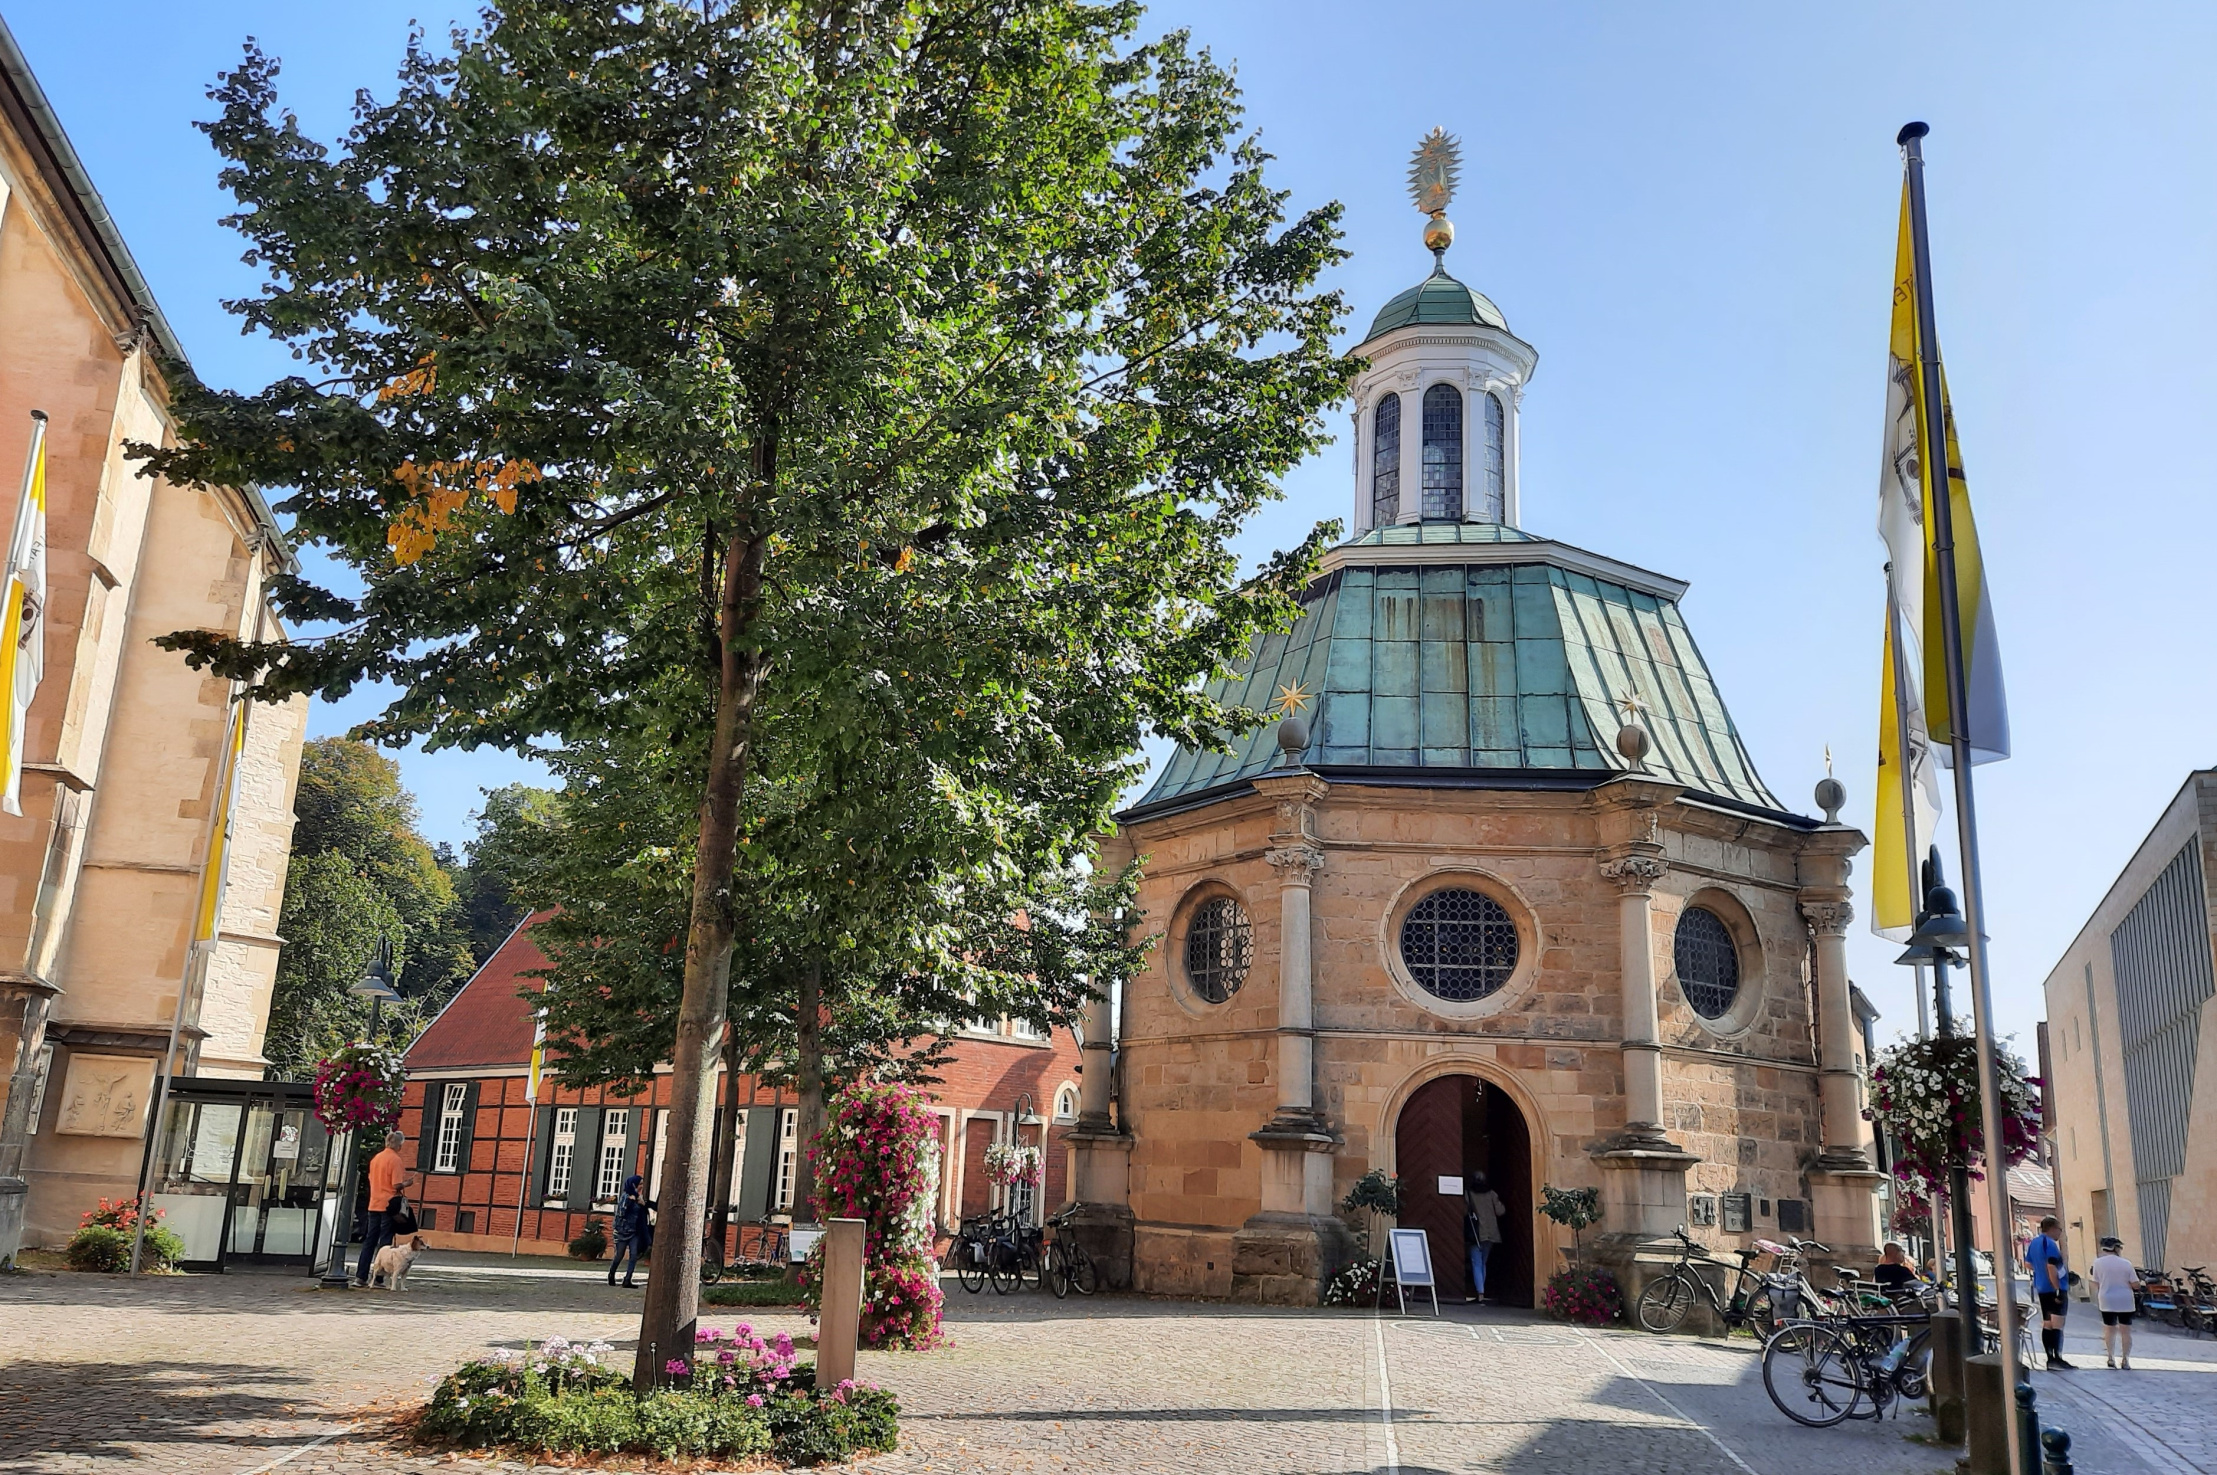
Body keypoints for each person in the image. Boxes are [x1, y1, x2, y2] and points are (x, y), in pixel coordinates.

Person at [356, 1129, 414, 1288]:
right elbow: (395, 1185)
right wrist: (407, 1184)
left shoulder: (376, 1158)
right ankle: (379, 1278)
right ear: (399, 1145)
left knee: (369, 1240)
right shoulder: (395, 1160)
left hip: (374, 1203)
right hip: (389, 1206)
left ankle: (360, 1276)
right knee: (385, 1243)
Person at [2025, 1215, 2075, 1370]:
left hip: (2041, 1288)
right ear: (2052, 1228)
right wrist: (2057, 1288)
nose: (2060, 1233)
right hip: (2054, 1288)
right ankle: (2057, 1358)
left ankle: (2049, 1358)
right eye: (2059, 1230)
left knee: (2047, 1323)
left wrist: (2040, 1272)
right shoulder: (2050, 1244)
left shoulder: (2034, 1243)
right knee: (2058, 1324)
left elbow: (2028, 1264)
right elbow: (2052, 1266)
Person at [2087, 1237, 2141, 1370]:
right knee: (2125, 1331)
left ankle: (2110, 1357)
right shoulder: (2126, 1263)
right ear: (2116, 1248)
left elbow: (2095, 1282)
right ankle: (2125, 1360)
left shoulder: (2098, 1263)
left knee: (2109, 1329)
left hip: (2107, 1299)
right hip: (2125, 1300)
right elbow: (2135, 1284)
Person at [1463, 1174, 1506, 1305]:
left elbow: (1464, 1212)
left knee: (1476, 1263)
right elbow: (1501, 1211)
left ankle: (1480, 1294)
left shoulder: (1469, 1194)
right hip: (1491, 1232)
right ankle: (1482, 1292)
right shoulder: (1492, 1194)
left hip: (1476, 1233)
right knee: (1483, 1263)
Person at [610, 1174, 653, 1288]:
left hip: (634, 1232)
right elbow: (621, 1213)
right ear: (634, 1185)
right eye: (640, 1184)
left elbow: (641, 1213)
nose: (642, 1186)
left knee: (633, 1255)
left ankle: (627, 1279)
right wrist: (629, 1202)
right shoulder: (625, 1197)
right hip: (622, 1231)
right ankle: (611, 1274)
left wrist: (643, 1204)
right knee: (619, 1255)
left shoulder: (639, 1197)